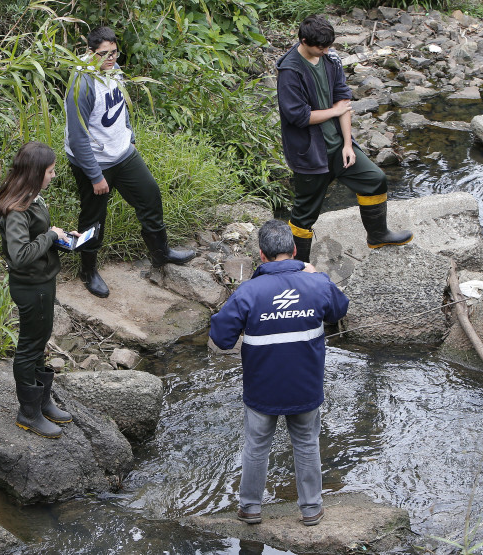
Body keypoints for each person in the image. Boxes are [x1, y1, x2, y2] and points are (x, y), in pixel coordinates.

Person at [209, 219, 349, 527]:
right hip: (306, 388)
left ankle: (250, 508)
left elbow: (220, 339)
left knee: (256, 446)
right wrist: (318, 276)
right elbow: (339, 310)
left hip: (262, 390)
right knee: (307, 443)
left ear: (261, 255)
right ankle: (311, 509)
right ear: (295, 250)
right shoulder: (317, 284)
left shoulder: (248, 293)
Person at [64, 25, 195, 298]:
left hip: (122, 153)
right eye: (104, 54)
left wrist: (130, 137)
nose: (110, 58)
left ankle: (161, 253)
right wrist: (95, 175)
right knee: (93, 220)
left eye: (113, 52)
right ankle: (87, 271)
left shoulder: (114, 70)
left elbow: (121, 106)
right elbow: (77, 138)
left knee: (150, 196)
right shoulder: (82, 83)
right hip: (94, 161)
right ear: (90, 53)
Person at [276, 15, 413, 263]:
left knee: (375, 179)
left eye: (329, 46)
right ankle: (298, 267)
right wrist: (335, 111)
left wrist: (348, 145)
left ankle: (378, 235)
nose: (326, 51)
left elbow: (343, 101)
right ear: (304, 41)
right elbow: (297, 116)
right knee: (304, 214)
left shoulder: (331, 60)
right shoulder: (289, 71)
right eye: (321, 47)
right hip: (310, 153)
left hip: (338, 146)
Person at [0, 141, 74, 438]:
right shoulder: (17, 208)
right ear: (37, 172)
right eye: (51, 171)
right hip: (32, 286)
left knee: (39, 342)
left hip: (42, 281)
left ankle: (41, 401)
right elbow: (19, 255)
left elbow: (36, 238)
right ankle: (28, 413)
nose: (53, 175)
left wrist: (61, 238)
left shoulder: (30, 197)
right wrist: (51, 237)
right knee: (29, 347)